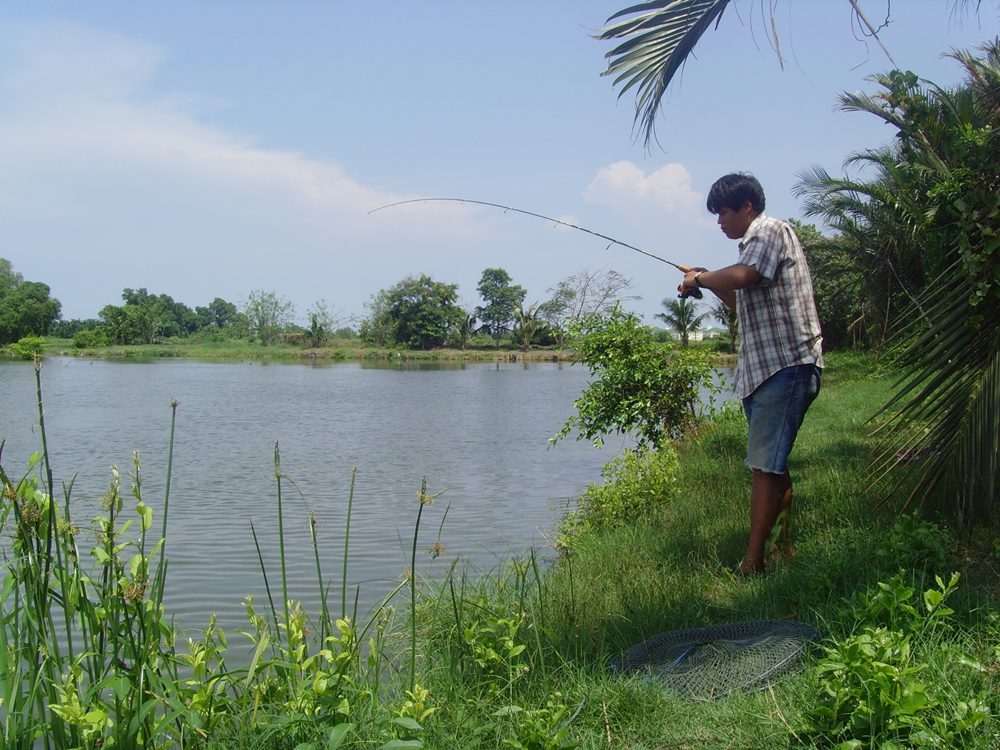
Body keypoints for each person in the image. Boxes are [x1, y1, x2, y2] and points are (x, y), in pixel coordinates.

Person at [679, 173, 823, 576]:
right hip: (768, 371)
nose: (719, 221)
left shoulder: (769, 230)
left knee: (765, 466)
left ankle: (752, 564)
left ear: (747, 207)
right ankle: (782, 547)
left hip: (786, 366)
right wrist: (707, 284)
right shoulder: (753, 247)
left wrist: (701, 278)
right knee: (774, 462)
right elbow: (742, 299)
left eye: (723, 212)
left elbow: (744, 277)